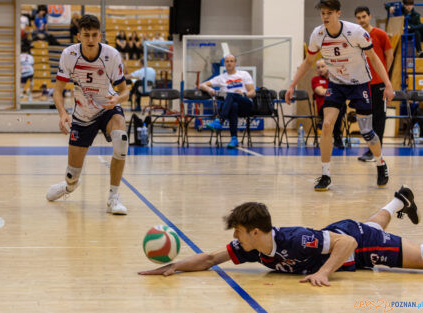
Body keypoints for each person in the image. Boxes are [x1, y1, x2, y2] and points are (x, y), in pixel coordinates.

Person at [139, 185, 422, 287]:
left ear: (256, 231)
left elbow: (347, 242)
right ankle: (399, 201)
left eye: (238, 230)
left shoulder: (296, 239)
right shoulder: (251, 247)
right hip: (342, 239)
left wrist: (323, 273)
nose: (235, 236)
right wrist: (174, 266)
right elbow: (211, 258)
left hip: (358, 244)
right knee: (373, 225)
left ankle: (398, 202)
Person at [285, 0, 393, 191]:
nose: (325, 17)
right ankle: (326, 174)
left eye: (329, 13)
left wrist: (388, 84)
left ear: (338, 13)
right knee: (327, 125)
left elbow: (374, 59)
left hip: (359, 83)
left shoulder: (356, 32)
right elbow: (308, 61)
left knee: (367, 131)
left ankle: (380, 163)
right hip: (336, 84)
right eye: (322, 14)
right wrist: (292, 85)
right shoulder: (318, 34)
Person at [46, 14, 130, 215]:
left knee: (121, 140)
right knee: (72, 175)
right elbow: (57, 90)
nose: (90, 40)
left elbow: (125, 91)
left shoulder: (112, 55)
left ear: (99, 35)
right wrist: (62, 113)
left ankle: (113, 198)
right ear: (79, 37)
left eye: (94, 35)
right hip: (83, 114)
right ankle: (68, 186)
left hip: (108, 108)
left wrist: (117, 100)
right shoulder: (69, 55)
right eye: (86, 35)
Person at [355, 6, 394, 162]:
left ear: (369, 16)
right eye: (358, 17)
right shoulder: (356, 36)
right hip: (363, 84)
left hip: (378, 84)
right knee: (365, 118)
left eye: (364, 16)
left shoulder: (380, 34)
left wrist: (384, 77)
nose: (361, 20)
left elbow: (389, 56)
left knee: (379, 118)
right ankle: (370, 150)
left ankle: (375, 152)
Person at [200, 54, 256, 148]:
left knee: (230, 95)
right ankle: (234, 139)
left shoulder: (244, 74)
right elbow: (202, 85)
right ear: (224, 64)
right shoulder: (221, 78)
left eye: (231, 61)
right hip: (233, 107)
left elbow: (253, 93)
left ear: (235, 63)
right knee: (233, 106)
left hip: (246, 104)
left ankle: (219, 120)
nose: (229, 63)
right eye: (227, 61)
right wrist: (209, 90)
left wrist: (244, 94)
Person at [312, 58, 345, 149]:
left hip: (337, 106)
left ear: (328, 67)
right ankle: (337, 138)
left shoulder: (335, 79)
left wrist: (333, 92)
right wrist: (335, 92)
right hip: (323, 107)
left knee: (340, 106)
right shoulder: (315, 79)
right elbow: (320, 91)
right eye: (318, 68)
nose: (320, 69)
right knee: (336, 109)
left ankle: (324, 124)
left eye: (323, 66)